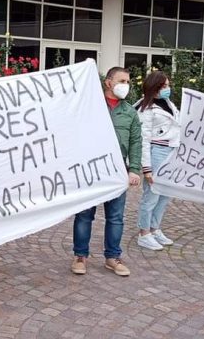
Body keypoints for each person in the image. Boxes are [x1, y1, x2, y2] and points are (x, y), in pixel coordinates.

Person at [71, 67, 142, 276]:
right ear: (108, 83)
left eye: (128, 82)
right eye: (122, 81)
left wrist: (134, 169)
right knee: (84, 215)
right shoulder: (89, 107)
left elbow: (136, 142)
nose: (126, 86)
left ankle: (112, 257)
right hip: (91, 168)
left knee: (116, 217)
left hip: (118, 170)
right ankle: (80, 256)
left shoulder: (129, 113)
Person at [136, 71, 180, 251]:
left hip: (171, 151)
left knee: (165, 194)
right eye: (163, 86)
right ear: (153, 87)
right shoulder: (145, 109)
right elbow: (143, 140)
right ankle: (144, 233)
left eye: (168, 85)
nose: (167, 89)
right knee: (152, 195)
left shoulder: (168, 103)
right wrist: (147, 168)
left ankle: (155, 228)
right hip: (157, 152)